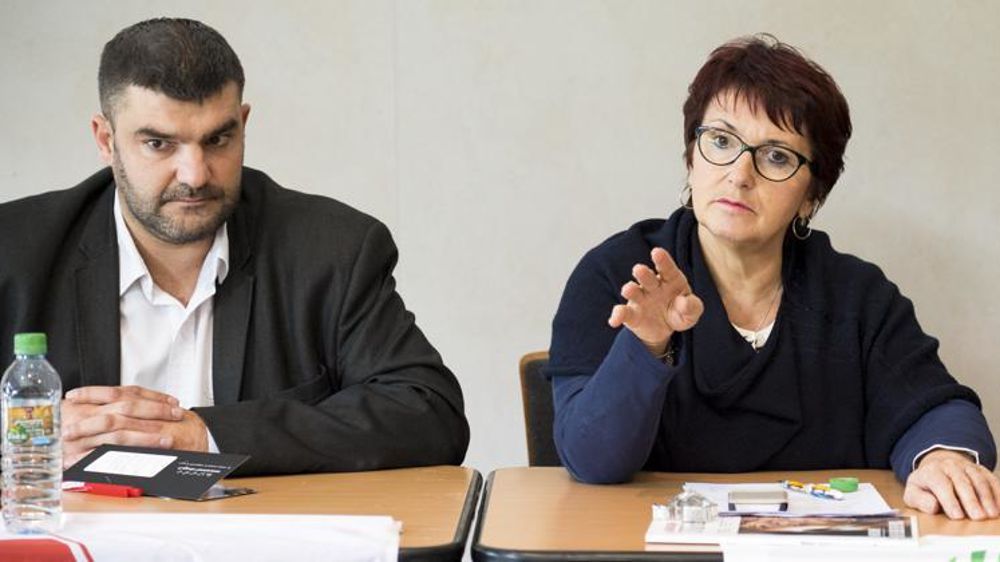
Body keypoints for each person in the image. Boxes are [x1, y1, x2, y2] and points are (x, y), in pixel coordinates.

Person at [548, 34, 1000, 520]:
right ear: (691, 158)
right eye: (721, 141)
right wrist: (646, 348)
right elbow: (591, 459)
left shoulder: (857, 297)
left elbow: (936, 407)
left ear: (811, 196)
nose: (740, 174)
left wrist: (941, 455)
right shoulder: (619, 274)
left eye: (777, 156)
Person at [0, 18, 469, 475]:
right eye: (160, 144)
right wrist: (23, 437)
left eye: (218, 139)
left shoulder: (332, 249)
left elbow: (427, 412)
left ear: (243, 124)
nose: (195, 174)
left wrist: (204, 436)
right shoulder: (16, 250)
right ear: (106, 140)